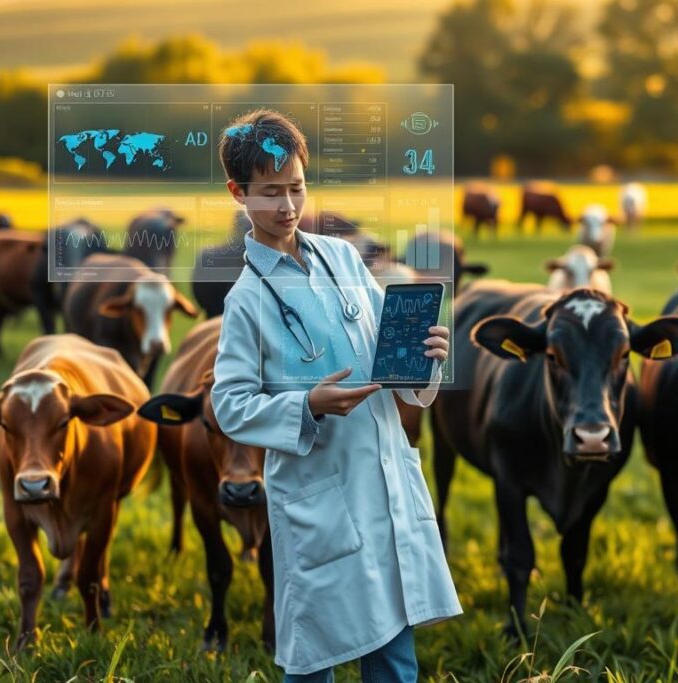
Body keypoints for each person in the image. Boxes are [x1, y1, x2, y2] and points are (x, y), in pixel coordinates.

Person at [210, 108, 462, 681]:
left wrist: (424, 359)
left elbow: (388, 360)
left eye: (296, 188)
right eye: (270, 193)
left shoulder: (345, 258)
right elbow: (231, 406)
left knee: (395, 657)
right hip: (317, 496)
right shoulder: (246, 301)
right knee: (314, 657)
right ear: (238, 193)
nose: (288, 207)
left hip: (383, 482)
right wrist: (307, 405)